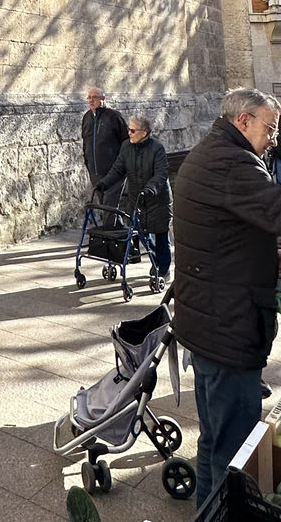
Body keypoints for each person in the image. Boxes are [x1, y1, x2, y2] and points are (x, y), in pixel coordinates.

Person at [174, 87, 281, 507]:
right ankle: (225, 514)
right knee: (235, 452)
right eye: (269, 128)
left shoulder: (213, 150)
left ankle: (206, 512)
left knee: (213, 441)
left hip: (207, 323)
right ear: (244, 121)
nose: (273, 137)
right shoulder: (232, 163)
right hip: (227, 328)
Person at [95, 114, 172, 280]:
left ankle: (164, 269)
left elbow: (161, 174)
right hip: (136, 200)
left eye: (132, 130)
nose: (129, 133)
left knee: (161, 236)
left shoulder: (157, 149)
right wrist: (104, 183)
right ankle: (156, 259)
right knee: (140, 234)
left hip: (157, 201)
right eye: (128, 129)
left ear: (144, 133)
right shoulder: (126, 147)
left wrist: (150, 189)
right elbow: (118, 169)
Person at [81, 86, 128, 206]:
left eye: (95, 97)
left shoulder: (114, 116)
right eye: (89, 98)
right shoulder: (87, 118)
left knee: (109, 206)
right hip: (95, 172)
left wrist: (120, 165)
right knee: (105, 206)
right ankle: (117, 225)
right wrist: (88, 163)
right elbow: (85, 142)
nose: (91, 100)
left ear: (103, 98)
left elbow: (126, 141)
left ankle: (112, 225)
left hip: (113, 171)